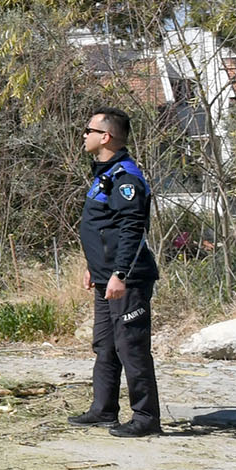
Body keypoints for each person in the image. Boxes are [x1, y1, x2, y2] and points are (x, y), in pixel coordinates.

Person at [72, 107, 162, 437]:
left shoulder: (126, 178)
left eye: (88, 130)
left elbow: (132, 229)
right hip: (104, 277)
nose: (83, 135)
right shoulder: (104, 175)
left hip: (128, 280)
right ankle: (104, 409)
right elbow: (101, 228)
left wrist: (120, 274)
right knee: (105, 345)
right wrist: (92, 267)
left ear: (105, 137)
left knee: (131, 347)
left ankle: (146, 418)